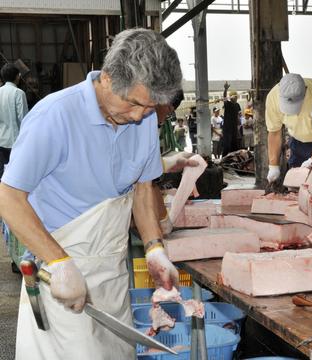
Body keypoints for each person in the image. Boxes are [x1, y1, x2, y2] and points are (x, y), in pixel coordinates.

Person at [0, 29, 183, 359]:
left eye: (152, 107)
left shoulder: (142, 121)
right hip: (60, 278)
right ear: (109, 79)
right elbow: (9, 198)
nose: (142, 115)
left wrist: (155, 248)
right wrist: (59, 263)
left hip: (112, 275)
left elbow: (142, 189)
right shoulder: (54, 116)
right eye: (137, 104)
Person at [0, 63, 28, 179]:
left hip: (0, 140)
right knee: (16, 174)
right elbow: (24, 120)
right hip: (15, 141)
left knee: (2, 173)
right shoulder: (19, 93)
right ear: (17, 76)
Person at [221, 82, 242, 156]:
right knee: (227, 145)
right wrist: (225, 89)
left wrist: (239, 123)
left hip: (234, 128)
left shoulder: (237, 105)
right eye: (234, 97)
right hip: (227, 128)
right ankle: (224, 160)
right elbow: (224, 97)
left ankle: (232, 160)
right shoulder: (227, 104)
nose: (236, 98)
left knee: (234, 145)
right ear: (231, 98)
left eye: (236, 97)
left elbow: (239, 115)